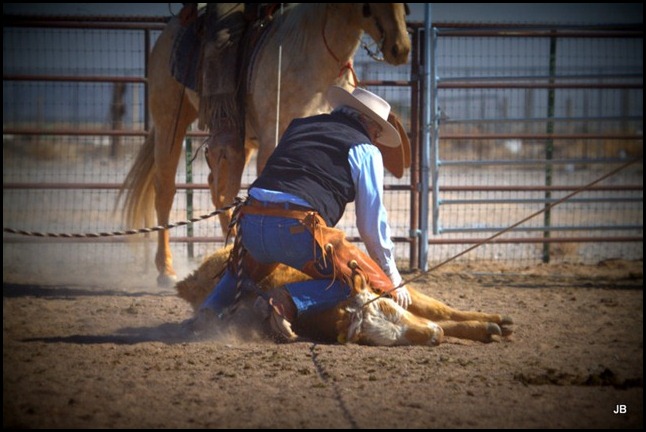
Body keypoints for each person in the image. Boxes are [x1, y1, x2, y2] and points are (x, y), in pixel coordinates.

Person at [189, 85, 412, 340]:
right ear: (365, 121)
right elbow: (371, 226)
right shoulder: (366, 150)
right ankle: (285, 302)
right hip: (296, 229)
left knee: (243, 270)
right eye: (377, 131)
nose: (376, 138)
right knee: (355, 283)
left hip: (250, 221)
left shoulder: (299, 126)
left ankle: (209, 310)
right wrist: (391, 277)